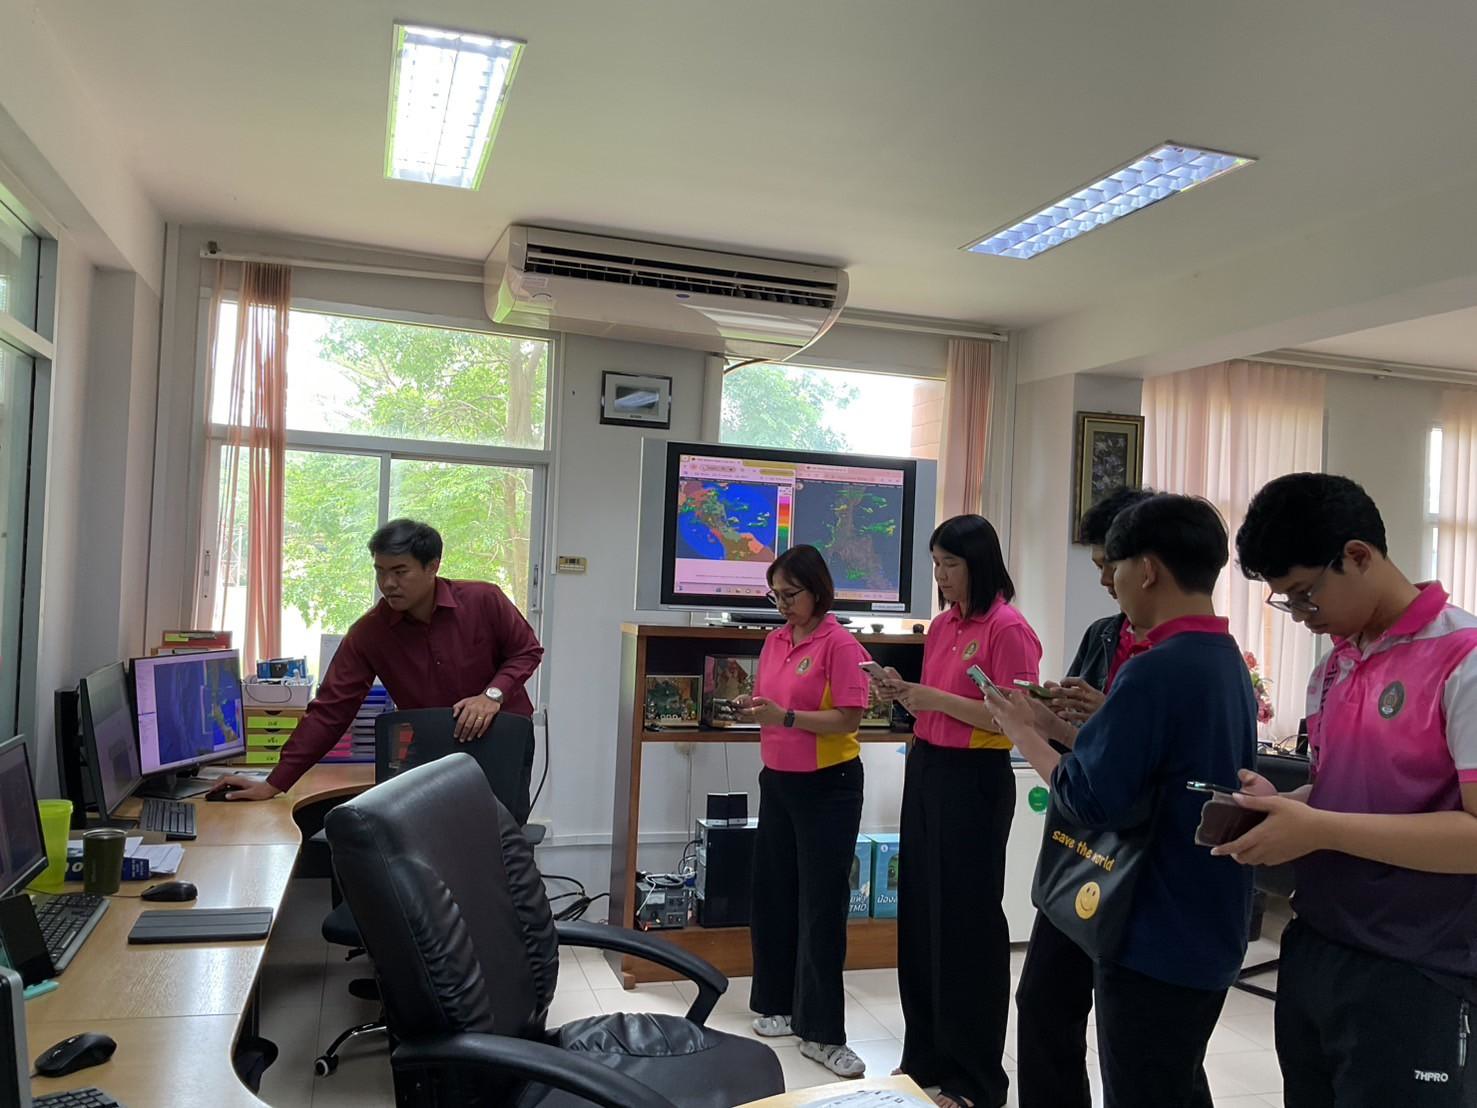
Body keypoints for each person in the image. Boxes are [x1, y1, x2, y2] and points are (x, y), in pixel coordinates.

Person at [987, 494, 1256, 1108]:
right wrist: (1056, 726)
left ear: (1149, 569)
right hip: (1200, 917)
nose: (1111, 580)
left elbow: (1088, 797)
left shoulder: (1156, 668)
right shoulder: (1224, 660)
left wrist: (1024, 734)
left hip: (1148, 917)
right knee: (1170, 1079)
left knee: (1143, 1081)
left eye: (1116, 564)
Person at [1225, 473, 1477, 1107]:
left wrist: (1319, 827)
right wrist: (1285, 807)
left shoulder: (1464, 659)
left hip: (1419, 966)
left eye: (1306, 595)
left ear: (1358, 555)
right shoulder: (1333, 667)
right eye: (1287, 601)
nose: (1302, 617)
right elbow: (1344, 792)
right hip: (1317, 946)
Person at [872, 514, 1042, 1108]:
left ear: (980, 564)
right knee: (922, 918)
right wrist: (904, 693)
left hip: (975, 780)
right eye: (936, 564)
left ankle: (976, 1079)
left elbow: (1013, 717)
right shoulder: (943, 624)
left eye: (951, 564)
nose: (941, 576)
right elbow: (935, 706)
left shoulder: (1008, 628)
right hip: (929, 769)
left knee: (967, 927)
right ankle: (925, 1057)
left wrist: (934, 699)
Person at [214, 519, 544, 800]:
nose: (388, 584)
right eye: (380, 571)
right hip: (432, 747)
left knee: (502, 839)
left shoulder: (483, 599)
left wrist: (492, 695)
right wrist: (274, 783)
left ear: (432, 566)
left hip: (502, 738)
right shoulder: (370, 633)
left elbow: (527, 650)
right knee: (433, 841)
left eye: (400, 572)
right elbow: (330, 710)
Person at [1013, 485, 1153, 1108]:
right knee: (1043, 1002)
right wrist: (1048, 711)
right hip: (1079, 848)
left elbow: (1155, 760)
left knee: (1141, 1047)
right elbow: (1075, 735)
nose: (1101, 579)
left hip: (1138, 861)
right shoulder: (1103, 634)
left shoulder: (1185, 656)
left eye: (1107, 564)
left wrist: (1103, 719)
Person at [736, 544, 870, 1079]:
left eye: (790, 594)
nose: (782, 605)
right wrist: (757, 710)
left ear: (818, 591)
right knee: (774, 896)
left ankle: (823, 1033)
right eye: (775, 595)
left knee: (821, 908)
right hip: (779, 781)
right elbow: (772, 705)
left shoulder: (840, 644)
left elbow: (849, 718)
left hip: (828, 786)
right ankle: (779, 1005)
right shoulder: (775, 640)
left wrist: (787, 717)